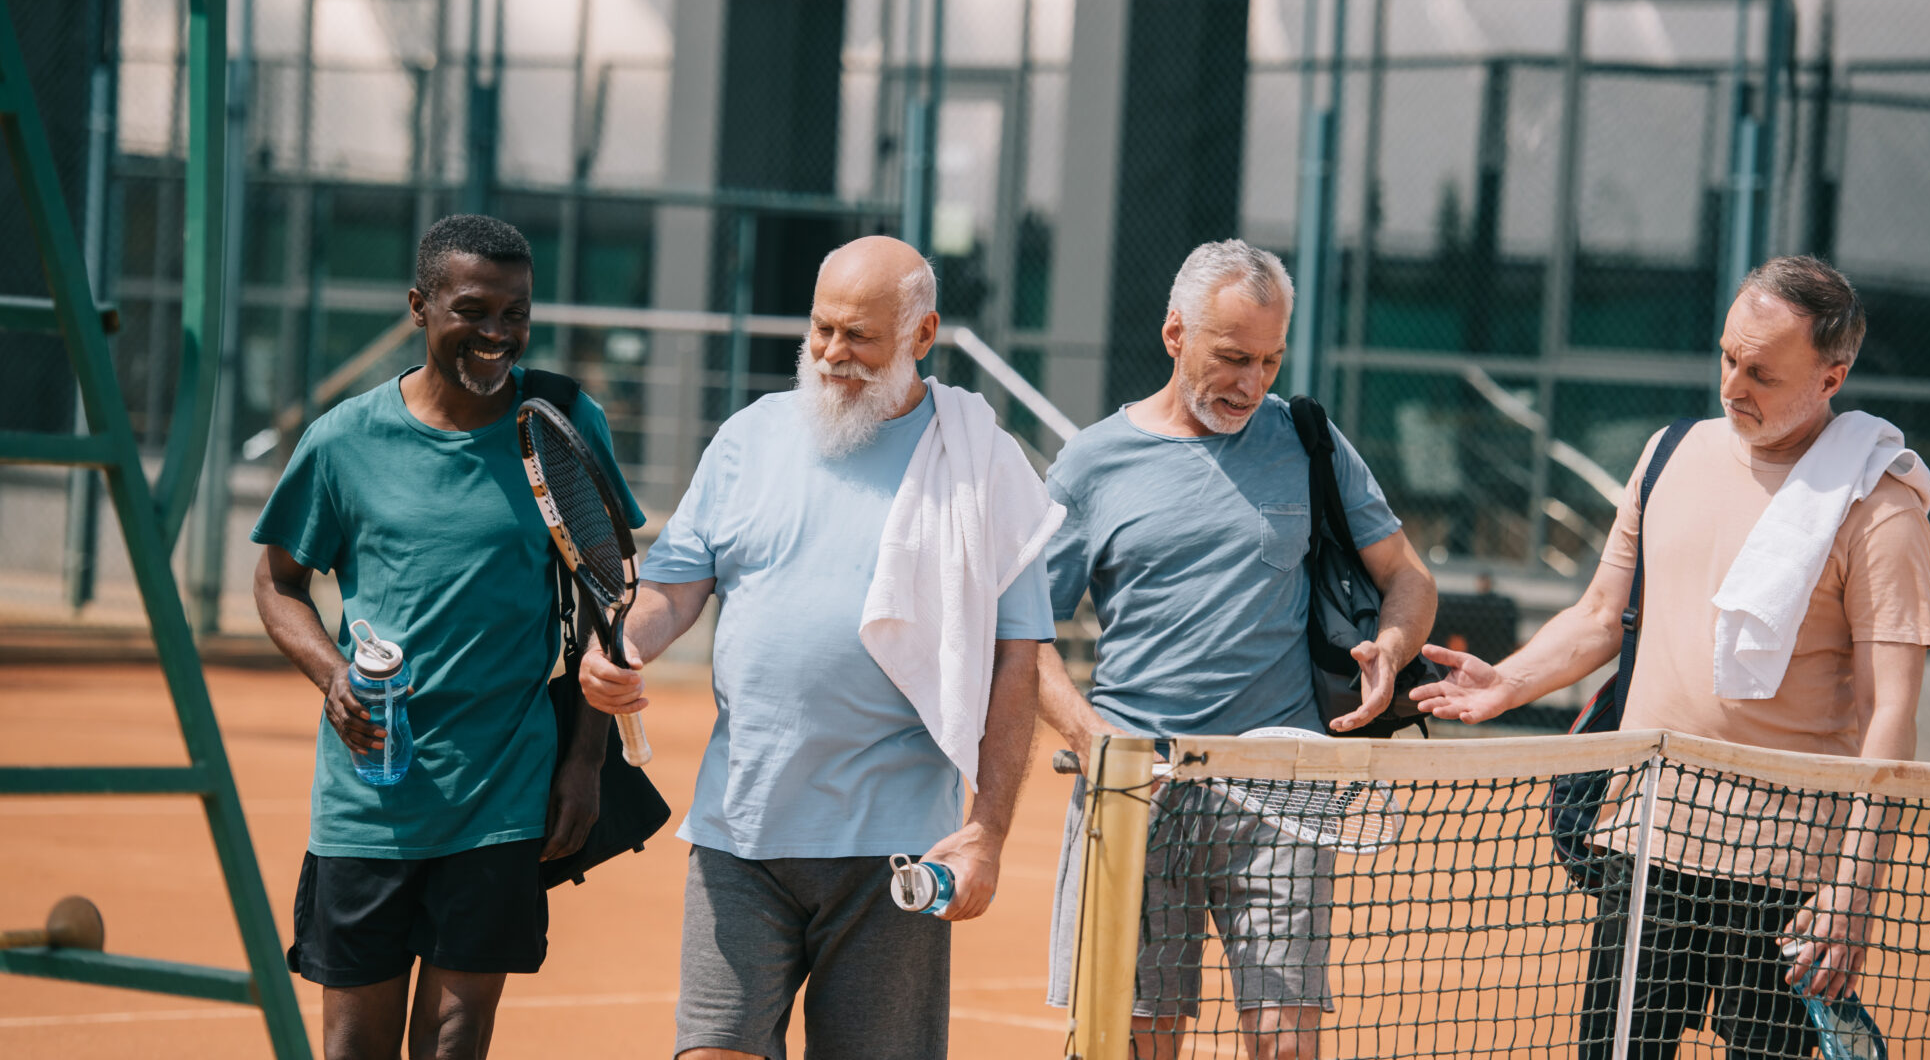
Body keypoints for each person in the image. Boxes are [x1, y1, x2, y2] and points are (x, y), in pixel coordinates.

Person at [1415, 256, 1930, 1059]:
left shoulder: (1882, 508)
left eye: (1761, 372)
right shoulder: (1668, 454)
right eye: (1728, 356)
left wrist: (1854, 883)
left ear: (1831, 377)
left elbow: (1889, 710)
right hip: (1649, 841)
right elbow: (1600, 616)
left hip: (1789, 874)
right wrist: (1508, 681)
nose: (1733, 385)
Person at [578, 235, 1057, 1060]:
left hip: (895, 844)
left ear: (922, 334)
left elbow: (1018, 660)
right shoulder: (748, 438)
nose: (833, 353)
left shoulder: (983, 463)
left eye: (859, 336)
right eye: (821, 330)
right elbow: (676, 585)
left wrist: (986, 832)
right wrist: (625, 644)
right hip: (742, 826)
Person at [250, 214, 642, 1060]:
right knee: (356, 1046)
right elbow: (278, 584)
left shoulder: (563, 422)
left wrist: (581, 764)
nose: (497, 334)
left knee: (457, 1042)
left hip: (505, 789)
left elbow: (607, 606)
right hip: (370, 797)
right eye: (472, 310)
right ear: (419, 306)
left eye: (517, 313)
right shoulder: (344, 443)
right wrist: (332, 677)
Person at [1037, 240, 1438, 1060]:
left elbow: (1408, 575)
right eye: (1231, 357)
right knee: (1136, 1041)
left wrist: (1391, 648)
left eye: (1269, 358)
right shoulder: (1091, 463)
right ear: (1174, 334)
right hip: (1138, 793)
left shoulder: (1306, 439)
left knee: (1287, 1046)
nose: (1252, 383)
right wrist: (1090, 738)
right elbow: (1023, 633)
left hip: (1284, 787)